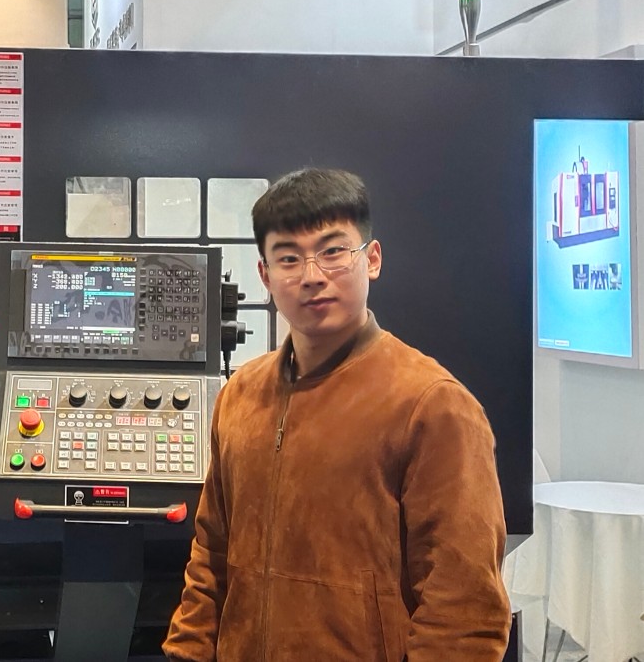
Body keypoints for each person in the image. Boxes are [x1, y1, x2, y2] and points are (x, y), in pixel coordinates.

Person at [163, 167, 511, 661]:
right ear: (265, 276)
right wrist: (187, 652)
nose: (311, 276)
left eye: (332, 251)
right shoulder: (241, 394)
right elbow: (211, 553)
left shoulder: (432, 405)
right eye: (288, 257)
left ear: (372, 259)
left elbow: (464, 606)